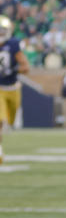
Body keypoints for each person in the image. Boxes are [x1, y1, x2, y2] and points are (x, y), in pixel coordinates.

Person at [0, 15, 29, 162]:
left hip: (12, 88)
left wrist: (14, 69)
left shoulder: (13, 44)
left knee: (9, 123)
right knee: (0, 120)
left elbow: (26, 67)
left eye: (2, 30)